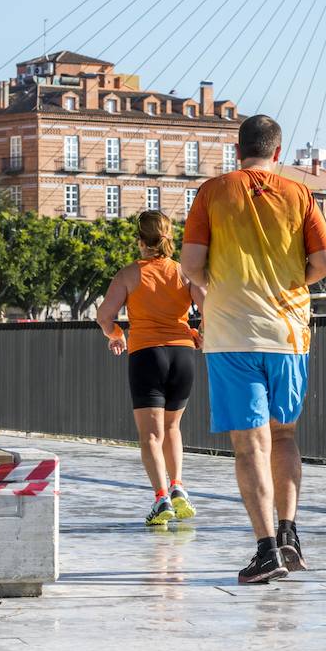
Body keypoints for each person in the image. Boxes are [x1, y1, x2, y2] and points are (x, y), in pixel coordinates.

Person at [181, 114, 326, 584]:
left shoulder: (213, 191)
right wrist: (290, 283)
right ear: (278, 153)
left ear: (237, 150)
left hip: (231, 334)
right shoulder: (300, 194)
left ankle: (266, 550)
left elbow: (190, 264)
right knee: (284, 437)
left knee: (249, 445)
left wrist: (224, 286)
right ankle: (290, 535)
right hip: (288, 333)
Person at [96, 210, 206, 527]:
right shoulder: (184, 273)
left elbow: (105, 316)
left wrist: (117, 335)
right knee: (172, 428)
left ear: (140, 240)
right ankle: (178, 488)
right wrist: (200, 333)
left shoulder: (130, 274)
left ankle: (161, 500)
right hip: (183, 357)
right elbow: (209, 304)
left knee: (150, 436)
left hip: (147, 355)